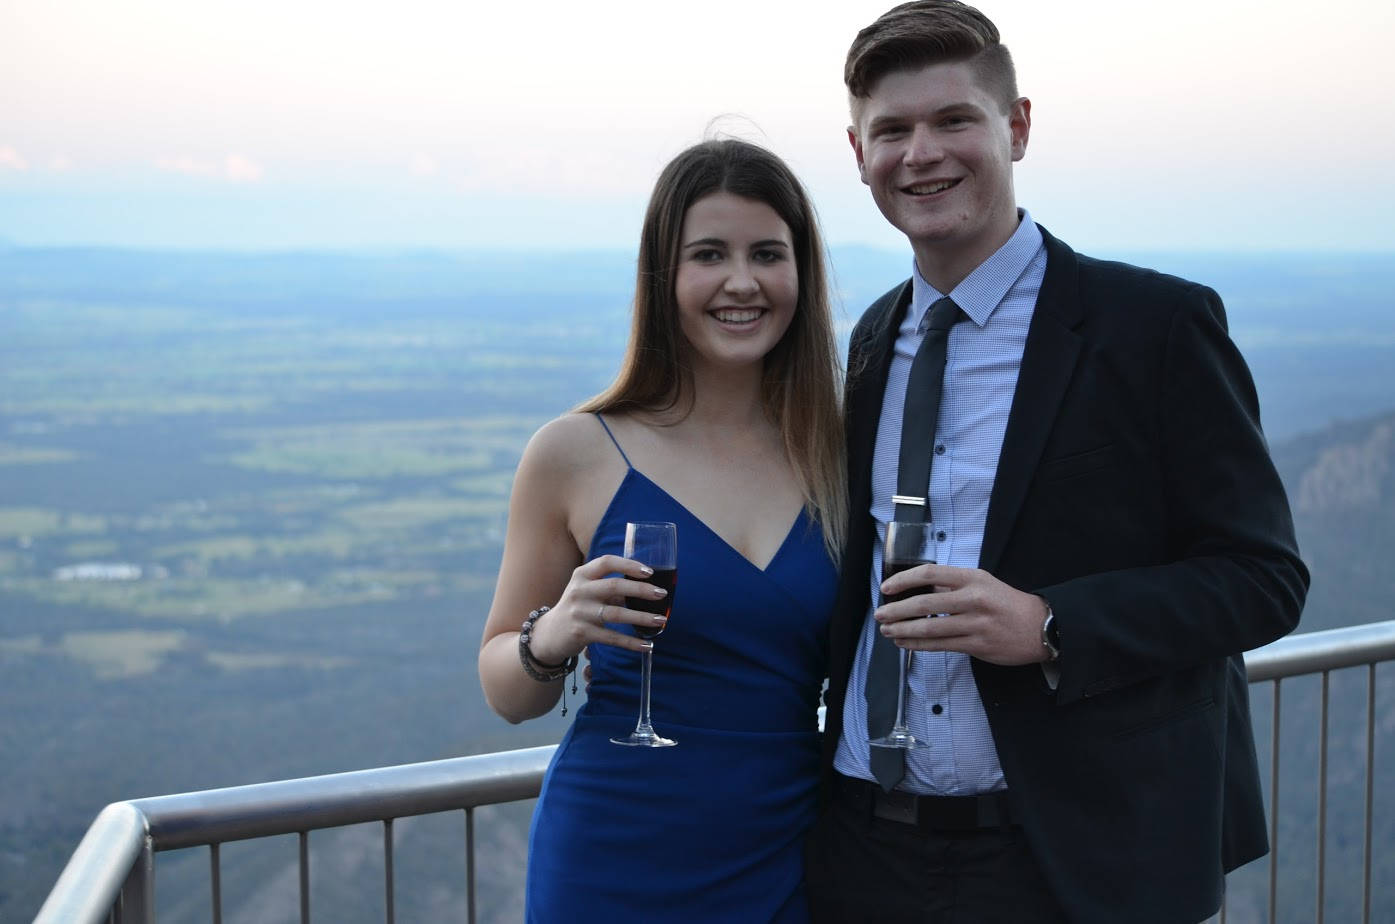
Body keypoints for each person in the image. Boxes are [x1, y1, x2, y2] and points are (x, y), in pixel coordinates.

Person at [805, 3, 1310, 923]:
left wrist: (1049, 625)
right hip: (865, 849)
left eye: (953, 119)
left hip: (1073, 859)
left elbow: (1263, 580)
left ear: (1017, 127)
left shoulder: (1154, 327)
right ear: (857, 152)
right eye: (892, 130)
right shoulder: (874, 340)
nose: (921, 152)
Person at [478, 138, 846, 922]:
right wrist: (553, 637)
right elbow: (504, 692)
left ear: (800, 275)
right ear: (663, 277)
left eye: (767, 254)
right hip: (613, 856)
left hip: (787, 853)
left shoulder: (840, 453)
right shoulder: (574, 453)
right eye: (708, 254)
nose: (740, 282)